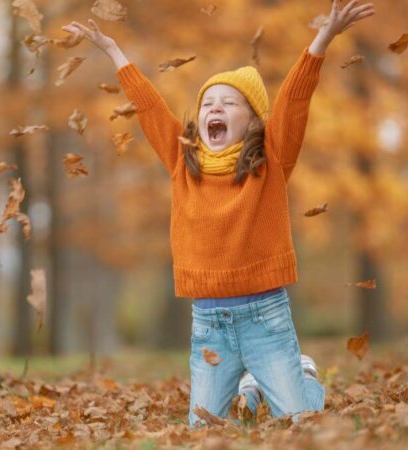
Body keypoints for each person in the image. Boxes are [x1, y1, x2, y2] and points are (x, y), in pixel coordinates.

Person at [63, 0, 376, 427]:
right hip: (210, 324)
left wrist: (322, 39)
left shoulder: (271, 162)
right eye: (209, 102)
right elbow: (151, 109)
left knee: (299, 423)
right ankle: (250, 391)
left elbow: (293, 101)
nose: (215, 109)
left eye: (229, 103)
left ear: (251, 122)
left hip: (266, 317)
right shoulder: (182, 160)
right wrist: (116, 52)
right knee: (202, 429)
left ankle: (303, 379)